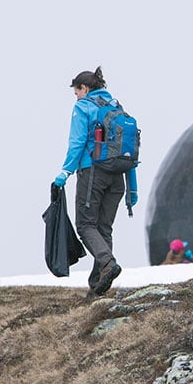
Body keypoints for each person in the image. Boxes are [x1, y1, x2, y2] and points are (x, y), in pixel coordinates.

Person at [54, 66, 137, 297]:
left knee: (86, 225)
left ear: (85, 88)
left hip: (93, 174)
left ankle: (108, 264)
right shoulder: (116, 107)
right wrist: (133, 189)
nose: (76, 96)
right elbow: (130, 148)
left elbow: (77, 142)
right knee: (103, 228)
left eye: (76, 91)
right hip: (118, 177)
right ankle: (97, 286)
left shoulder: (84, 107)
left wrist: (65, 172)